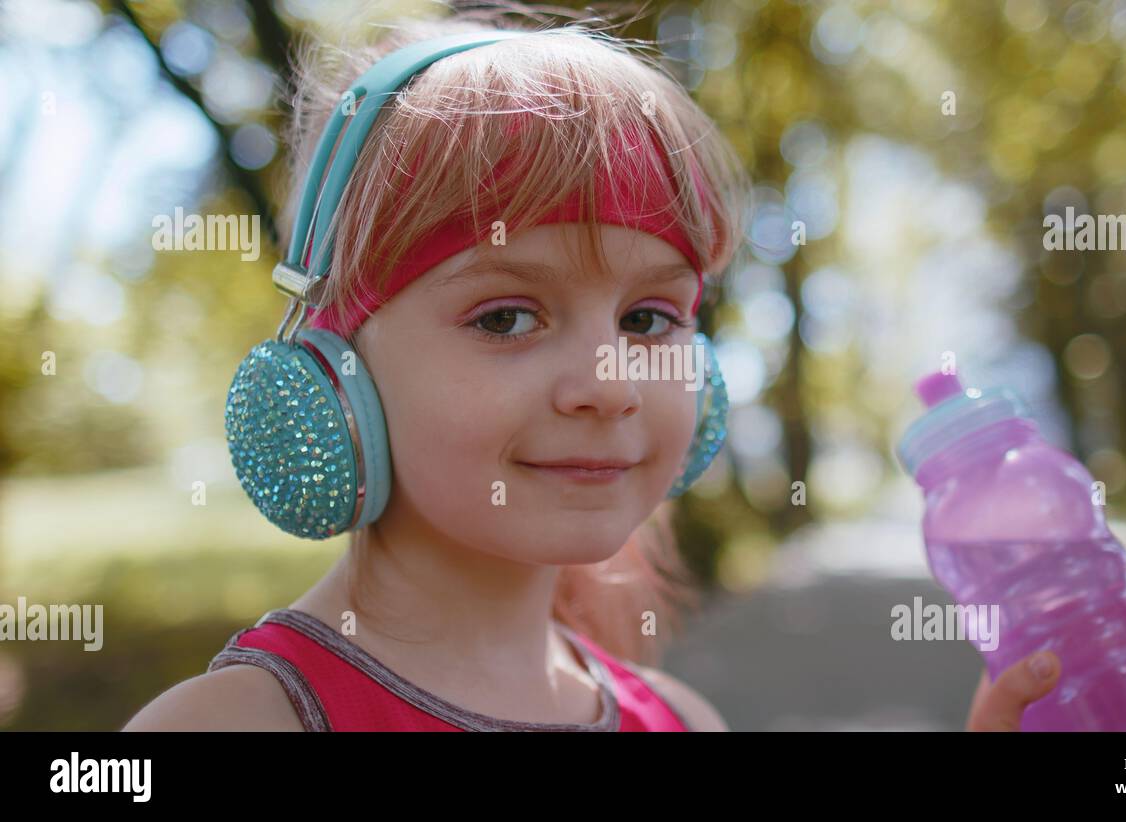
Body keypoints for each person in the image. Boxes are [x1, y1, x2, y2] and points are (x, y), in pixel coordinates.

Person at [124, 5, 1059, 732]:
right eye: (506, 316)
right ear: (332, 377)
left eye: (649, 318)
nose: (609, 383)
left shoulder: (680, 718)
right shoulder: (241, 722)